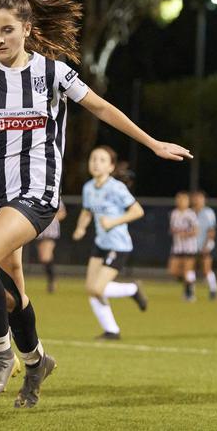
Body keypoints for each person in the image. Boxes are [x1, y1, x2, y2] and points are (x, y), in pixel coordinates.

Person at [0, 0, 191, 408]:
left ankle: (1, 354)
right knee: (11, 291)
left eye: (8, 30)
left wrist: (152, 143)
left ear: (27, 29)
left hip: (36, 194)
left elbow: (102, 108)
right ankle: (36, 362)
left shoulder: (52, 73)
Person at [72, 146, 147, 340]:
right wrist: (81, 228)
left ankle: (133, 289)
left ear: (111, 166)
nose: (96, 163)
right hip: (101, 243)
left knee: (98, 288)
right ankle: (111, 331)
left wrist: (113, 222)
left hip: (118, 245)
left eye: (102, 160)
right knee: (91, 289)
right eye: (93, 159)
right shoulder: (88, 187)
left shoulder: (116, 188)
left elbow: (137, 211)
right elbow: (87, 211)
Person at [168, 191, 199, 301]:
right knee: (173, 271)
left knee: (187, 270)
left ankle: (189, 293)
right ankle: (189, 284)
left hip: (189, 247)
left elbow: (196, 231)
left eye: (183, 199)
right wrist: (175, 232)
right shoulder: (174, 213)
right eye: (178, 199)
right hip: (177, 247)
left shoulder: (190, 214)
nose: (180, 201)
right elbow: (172, 228)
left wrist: (185, 234)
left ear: (187, 201)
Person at [191, 190, 217, 300]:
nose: (197, 200)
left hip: (204, 244)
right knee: (190, 269)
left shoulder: (208, 212)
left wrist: (207, 245)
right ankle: (190, 292)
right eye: (196, 198)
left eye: (200, 198)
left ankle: (213, 289)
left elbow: (211, 230)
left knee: (206, 269)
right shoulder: (190, 212)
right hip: (192, 246)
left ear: (204, 200)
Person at [35, 199, 66, 293]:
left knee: (45, 257)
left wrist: (50, 218)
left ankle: (52, 281)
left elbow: (62, 213)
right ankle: (51, 279)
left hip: (50, 232)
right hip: (38, 231)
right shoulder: (35, 196)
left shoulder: (55, 197)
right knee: (43, 257)